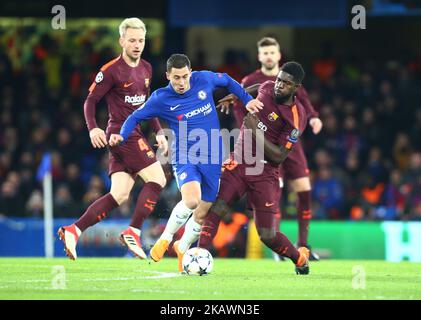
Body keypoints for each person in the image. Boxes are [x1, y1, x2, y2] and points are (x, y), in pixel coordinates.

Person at [109, 54, 262, 272]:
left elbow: (227, 80)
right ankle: (165, 239)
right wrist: (122, 136)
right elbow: (134, 117)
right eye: (175, 78)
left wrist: (247, 99)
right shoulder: (160, 98)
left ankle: (183, 246)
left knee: (201, 213)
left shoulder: (204, 79)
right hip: (185, 155)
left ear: (190, 72)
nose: (181, 83)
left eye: (184, 77)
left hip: (213, 156)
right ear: (167, 76)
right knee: (191, 201)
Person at [58, 18, 168, 260]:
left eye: (141, 40)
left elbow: (147, 106)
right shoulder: (110, 70)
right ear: (121, 41)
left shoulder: (147, 68)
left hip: (131, 135)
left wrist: (159, 131)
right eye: (132, 40)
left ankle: (73, 230)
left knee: (119, 195)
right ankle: (134, 231)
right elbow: (90, 101)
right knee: (158, 179)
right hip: (122, 134)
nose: (137, 45)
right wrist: (92, 128)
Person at [198, 62, 311, 274]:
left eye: (286, 84)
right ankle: (199, 255)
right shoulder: (268, 87)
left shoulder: (296, 117)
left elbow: (279, 155)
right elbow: (258, 87)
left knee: (267, 235)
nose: (279, 86)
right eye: (279, 80)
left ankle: (299, 259)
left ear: (296, 88)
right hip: (239, 162)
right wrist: (237, 96)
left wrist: (254, 130)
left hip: (265, 173)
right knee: (217, 207)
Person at [218, 37, 322, 260]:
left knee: (304, 189)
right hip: (263, 148)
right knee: (276, 191)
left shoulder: (290, 78)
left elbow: (303, 102)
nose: (268, 56)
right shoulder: (254, 80)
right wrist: (248, 125)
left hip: (290, 145)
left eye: (272, 52)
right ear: (259, 56)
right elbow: (248, 100)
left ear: (278, 55)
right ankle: (279, 245)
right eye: (264, 53)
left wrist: (313, 118)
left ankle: (303, 244)